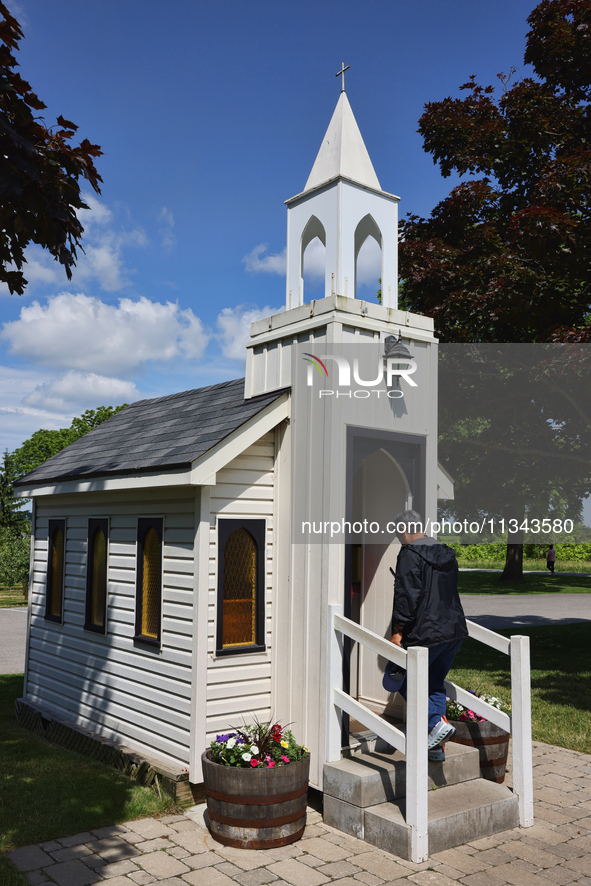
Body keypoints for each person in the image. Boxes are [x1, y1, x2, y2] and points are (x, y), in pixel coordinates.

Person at [388, 509, 469, 762]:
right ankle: (435, 748)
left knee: (404, 682)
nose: (399, 540)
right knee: (434, 685)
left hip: (426, 634)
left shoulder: (410, 554)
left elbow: (407, 595)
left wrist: (398, 631)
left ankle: (435, 723)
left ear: (404, 530)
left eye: (397, 534)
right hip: (453, 631)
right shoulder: (446, 552)